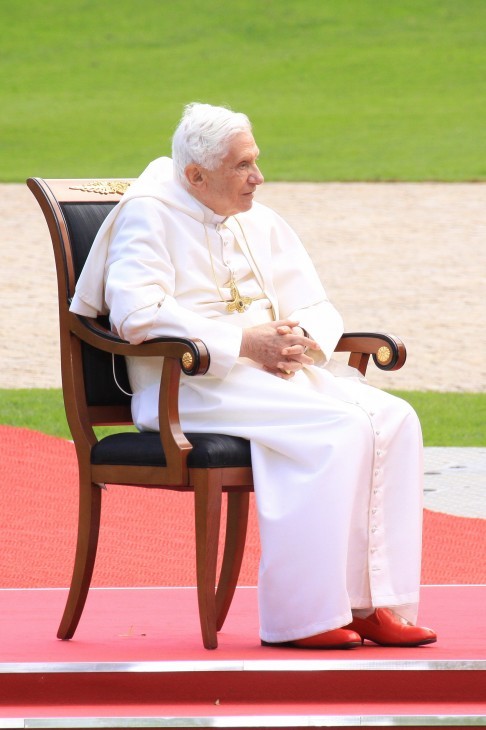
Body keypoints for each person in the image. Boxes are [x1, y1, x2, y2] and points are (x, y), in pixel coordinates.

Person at [71, 102, 437, 649]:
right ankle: (305, 617)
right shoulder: (148, 213)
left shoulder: (252, 216)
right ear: (196, 175)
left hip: (266, 380)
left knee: (396, 418)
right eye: (243, 166)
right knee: (339, 427)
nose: (258, 178)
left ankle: (370, 602)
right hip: (187, 387)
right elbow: (135, 314)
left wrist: (299, 339)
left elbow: (314, 300)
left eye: (255, 162)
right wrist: (243, 343)